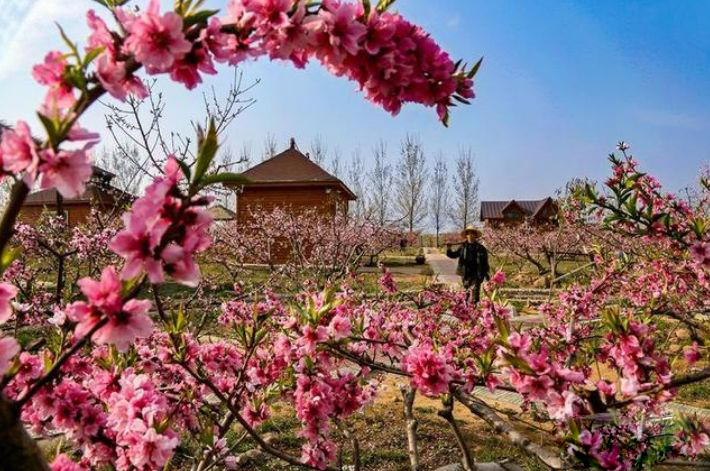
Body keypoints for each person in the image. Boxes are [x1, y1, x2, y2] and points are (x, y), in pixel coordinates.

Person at [446, 226, 490, 302]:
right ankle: (466, 311)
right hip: (465, 273)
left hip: (477, 273)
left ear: (475, 236)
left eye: (472, 233)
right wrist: (449, 249)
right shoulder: (462, 247)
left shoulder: (481, 248)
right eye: (469, 233)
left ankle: (475, 310)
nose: (470, 235)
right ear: (466, 235)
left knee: (475, 294)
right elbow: (453, 255)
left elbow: (485, 263)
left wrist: (486, 275)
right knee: (466, 293)